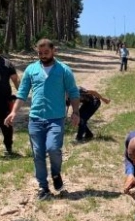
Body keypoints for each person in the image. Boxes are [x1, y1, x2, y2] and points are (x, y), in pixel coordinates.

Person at [5, 39, 80, 201]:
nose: (43, 56)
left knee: (53, 148)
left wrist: (76, 112)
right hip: (36, 119)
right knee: (38, 153)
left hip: (56, 119)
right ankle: (43, 187)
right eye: (40, 53)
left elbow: (73, 92)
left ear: (54, 51)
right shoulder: (31, 69)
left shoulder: (63, 70)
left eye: (46, 52)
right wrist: (13, 112)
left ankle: (55, 172)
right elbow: (22, 93)